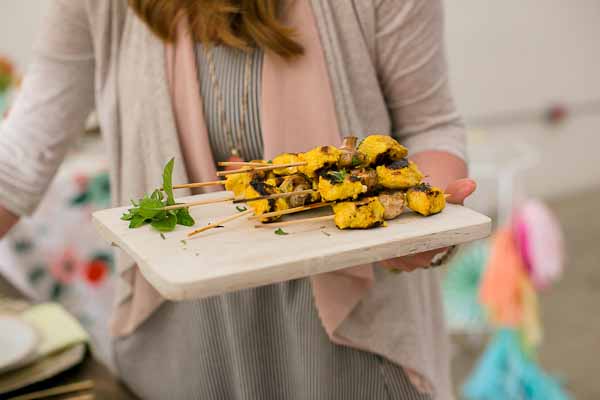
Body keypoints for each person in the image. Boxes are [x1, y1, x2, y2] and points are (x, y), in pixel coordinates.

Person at [0, 1, 476, 399]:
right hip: (185, 341)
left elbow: (430, 126)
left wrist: (420, 224)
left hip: (353, 344)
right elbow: (20, 156)